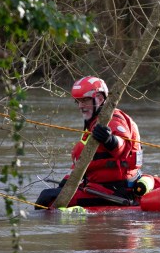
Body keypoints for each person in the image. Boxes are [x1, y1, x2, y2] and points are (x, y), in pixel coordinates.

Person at [35, 76, 143, 207]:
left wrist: (109, 139)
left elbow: (123, 146)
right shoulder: (92, 124)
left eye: (85, 100)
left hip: (116, 192)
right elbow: (81, 162)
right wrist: (64, 184)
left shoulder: (113, 120)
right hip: (99, 187)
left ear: (100, 98)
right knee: (52, 193)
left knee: (48, 199)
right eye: (78, 101)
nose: (81, 106)